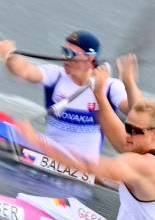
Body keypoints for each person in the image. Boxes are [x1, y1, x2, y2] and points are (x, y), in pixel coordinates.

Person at [16, 65, 155, 220]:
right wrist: (99, 93)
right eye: (127, 126)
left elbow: (87, 166)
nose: (127, 134)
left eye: (133, 131)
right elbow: (121, 131)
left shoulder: (144, 165)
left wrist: (37, 141)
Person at [0, 31, 140, 161]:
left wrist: (129, 81)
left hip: (83, 162)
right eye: (63, 51)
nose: (64, 57)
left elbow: (136, 112)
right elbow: (24, 70)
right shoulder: (56, 75)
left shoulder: (110, 86)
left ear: (89, 58)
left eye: (69, 53)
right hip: (49, 151)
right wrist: (9, 55)